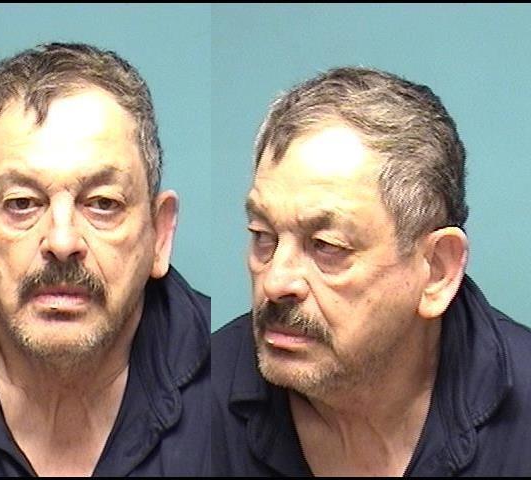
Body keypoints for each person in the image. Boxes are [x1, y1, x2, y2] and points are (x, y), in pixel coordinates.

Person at [0, 42, 210, 476]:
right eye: (22, 203)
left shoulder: (233, 379)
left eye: (102, 203)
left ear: (160, 233)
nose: (62, 241)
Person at [211, 66, 531, 476]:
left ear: (436, 271)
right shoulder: (192, 404)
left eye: (326, 246)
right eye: (263, 236)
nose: (275, 281)